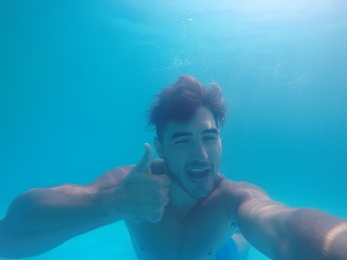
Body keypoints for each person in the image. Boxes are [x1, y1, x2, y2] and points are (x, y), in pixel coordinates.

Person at [0, 75, 346, 260]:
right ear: (161, 147)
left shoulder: (235, 198)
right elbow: (9, 237)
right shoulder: (128, 186)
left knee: (235, 248)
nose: (201, 155)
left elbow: (284, 228)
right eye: (182, 141)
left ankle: (236, 241)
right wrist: (111, 204)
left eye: (210, 137)